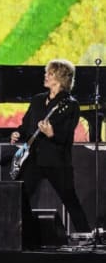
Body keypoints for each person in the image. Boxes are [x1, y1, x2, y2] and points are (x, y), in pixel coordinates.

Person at [10, 59, 90, 246]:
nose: (45, 76)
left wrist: (52, 133)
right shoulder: (38, 99)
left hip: (57, 161)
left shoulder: (70, 105)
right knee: (21, 197)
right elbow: (26, 124)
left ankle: (86, 237)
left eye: (50, 73)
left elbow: (66, 134)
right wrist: (17, 133)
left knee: (70, 200)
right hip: (34, 159)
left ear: (60, 78)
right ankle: (28, 237)